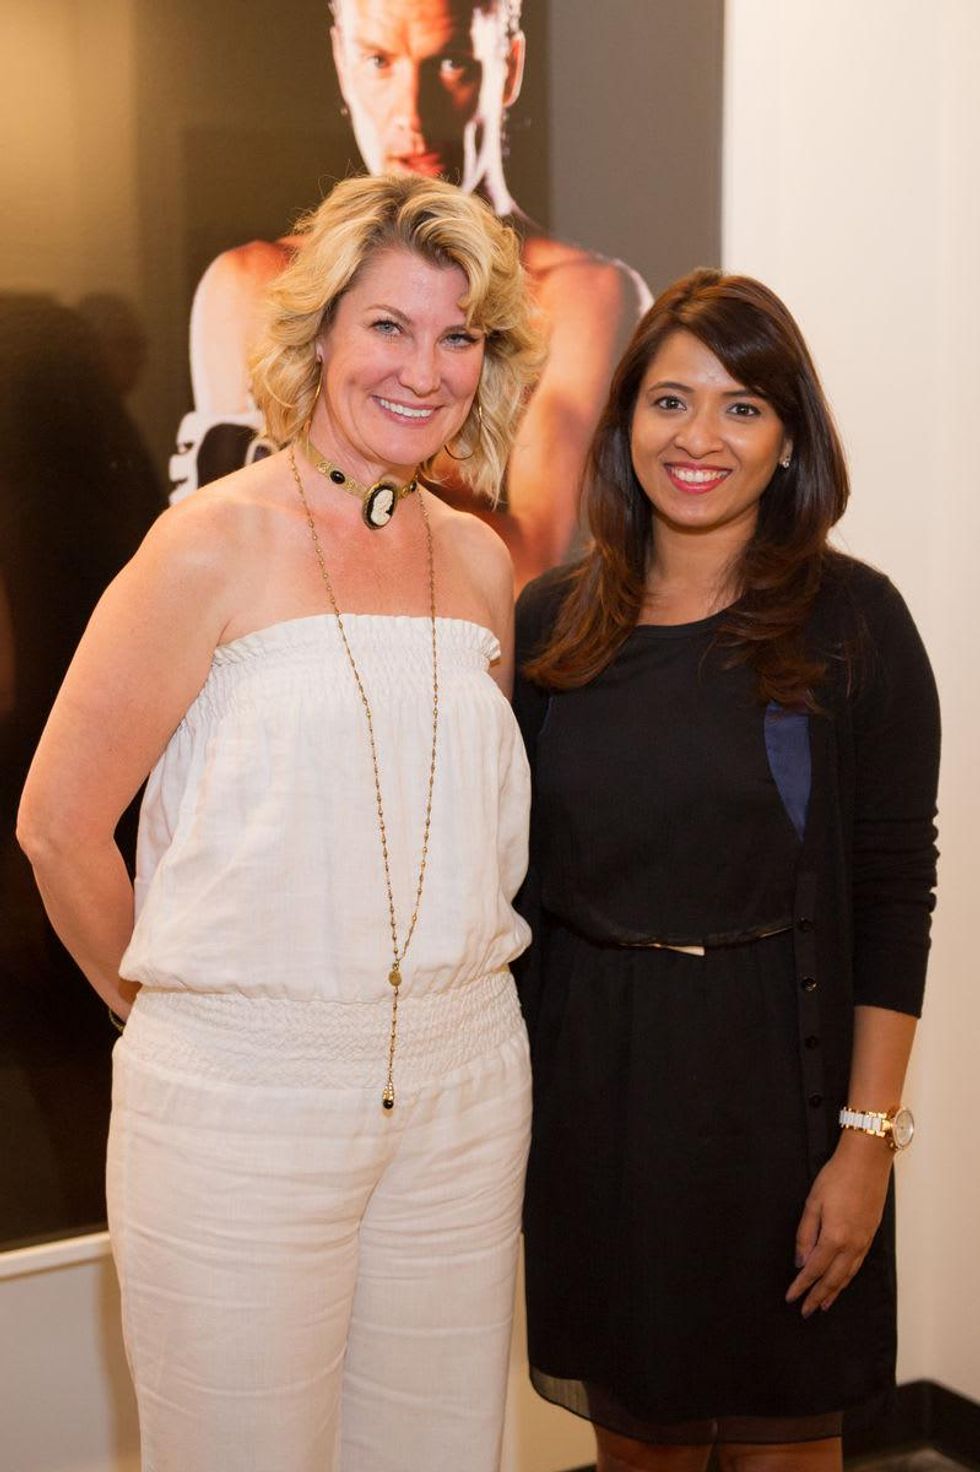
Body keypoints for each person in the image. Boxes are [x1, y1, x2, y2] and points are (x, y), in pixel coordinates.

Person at [18, 173, 541, 1471]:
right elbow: (56, 828)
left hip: (468, 1091)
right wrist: (185, 1027)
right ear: (317, 336)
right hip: (240, 1107)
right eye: (388, 326)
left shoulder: (480, 561)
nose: (424, 369)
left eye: (458, 334)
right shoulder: (204, 545)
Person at [512, 270, 940, 1471]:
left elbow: (892, 892)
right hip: (599, 1103)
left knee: (781, 1448)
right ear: (623, 424)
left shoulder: (851, 623)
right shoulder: (550, 624)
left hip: (782, 1105)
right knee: (633, 1449)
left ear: (789, 436)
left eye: (742, 406)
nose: (698, 437)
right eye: (668, 401)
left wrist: (864, 1144)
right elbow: (515, 893)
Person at [175, 0, 651, 585]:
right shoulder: (252, 282)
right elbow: (216, 563)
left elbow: (534, 569)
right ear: (341, 63)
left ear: (511, 65)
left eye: (451, 63)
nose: (412, 115)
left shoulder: (583, 296)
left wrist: (327, 493)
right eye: (379, 60)